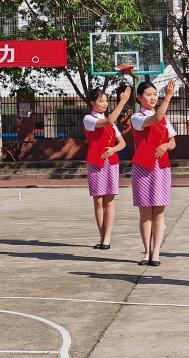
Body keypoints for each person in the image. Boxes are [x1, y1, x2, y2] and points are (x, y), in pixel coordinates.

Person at [130, 81, 176, 266]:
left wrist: (166, 145)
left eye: (155, 94)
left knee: (159, 212)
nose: (153, 97)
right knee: (145, 213)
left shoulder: (164, 118)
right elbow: (155, 118)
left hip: (161, 168)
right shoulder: (137, 117)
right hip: (143, 168)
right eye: (148, 94)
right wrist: (168, 97)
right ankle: (147, 252)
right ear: (139, 98)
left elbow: (173, 142)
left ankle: (156, 253)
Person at [83, 86, 131, 249]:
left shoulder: (111, 124)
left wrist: (113, 149)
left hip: (111, 164)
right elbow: (109, 120)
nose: (105, 103)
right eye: (101, 101)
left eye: (106, 101)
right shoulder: (89, 119)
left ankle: (107, 239)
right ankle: (102, 236)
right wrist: (122, 102)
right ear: (92, 103)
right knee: (98, 201)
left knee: (109, 201)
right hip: (96, 163)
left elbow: (122, 143)